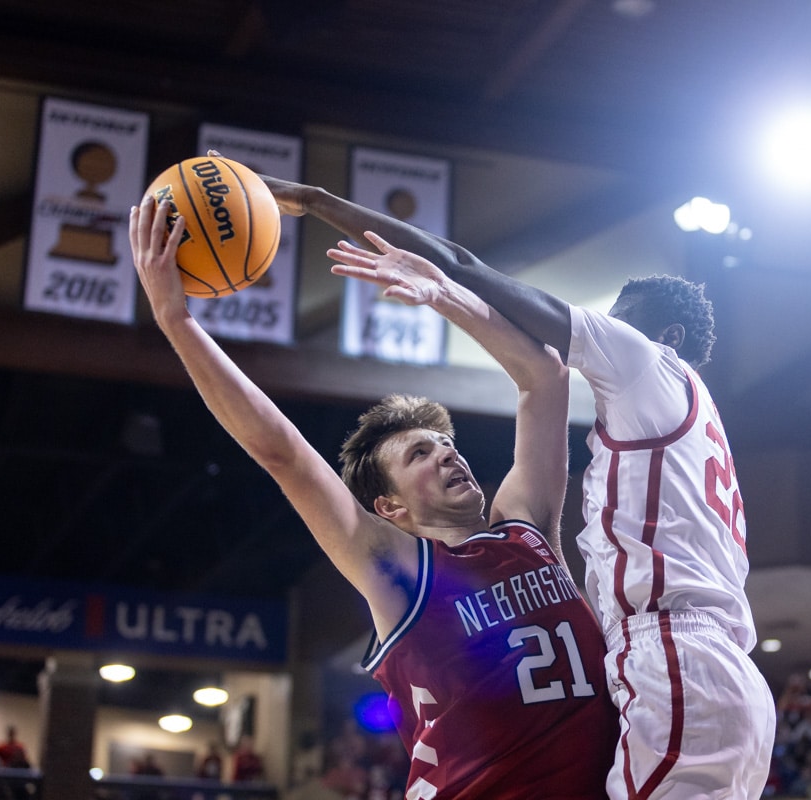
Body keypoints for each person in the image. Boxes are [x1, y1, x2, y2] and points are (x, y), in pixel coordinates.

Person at [264, 174, 777, 799]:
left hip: (676, 658)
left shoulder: (646, 364)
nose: (605, 331)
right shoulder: (694, 424)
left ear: (665, 340)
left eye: (622, 324)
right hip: (716, 669)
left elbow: (472, 276)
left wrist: (329, 210)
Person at [129, 194, 616, 799]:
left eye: (445, 442)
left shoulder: (527, 527)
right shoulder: (397, 570)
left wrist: (444, 295)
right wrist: (178, 322)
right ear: (390, 509)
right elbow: (281, 452)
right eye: (419, 453)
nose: (447, 452)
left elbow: (545, 375)